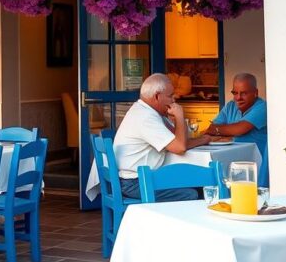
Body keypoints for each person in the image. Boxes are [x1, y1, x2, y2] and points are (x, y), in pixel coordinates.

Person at [114, 73, 211, 202]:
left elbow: (178, 140)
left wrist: (203, 139)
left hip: (141, 178)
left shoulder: (148, 111)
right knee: (192, 193)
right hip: (135, 183)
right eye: (170, 96)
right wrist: (179, 116)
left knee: (195, 183)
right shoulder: (146, 117)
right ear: (157, 96)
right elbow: (180, 147)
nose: (174, 99)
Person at [203, 73, 269, 187]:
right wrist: (228, 132)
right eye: (235, 93)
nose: (238, 98)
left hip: (256, 166)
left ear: (255, 93)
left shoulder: (262, 107)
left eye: (244, 93)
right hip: (231, 162)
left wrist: (224, 132)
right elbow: (210, 129)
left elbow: (240, 129)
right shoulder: (230, 106)